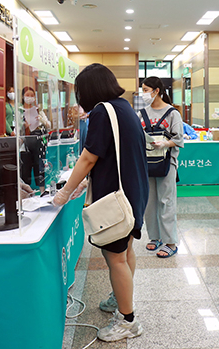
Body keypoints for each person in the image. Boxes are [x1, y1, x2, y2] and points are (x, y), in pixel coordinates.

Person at [52, 64, 148, 342]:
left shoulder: (102, 112)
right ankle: (120, 296)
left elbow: (88, 157)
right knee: (126, 249)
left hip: (116, 197)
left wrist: (66, 191)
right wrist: (86, 181)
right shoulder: (123, 107)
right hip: (133, 192)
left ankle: (128, 321)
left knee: (114, 257)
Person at [139, 77, 184, 258]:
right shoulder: (142, 113)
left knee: (166, 201)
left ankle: (170, 242)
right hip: (146, 163)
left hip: (166, 163)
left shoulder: (172, 113)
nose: (143, 94)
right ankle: (154, 237)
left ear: (156, 91)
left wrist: (165, 143)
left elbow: (179, 139)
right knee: (149, 202)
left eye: (146, 90)